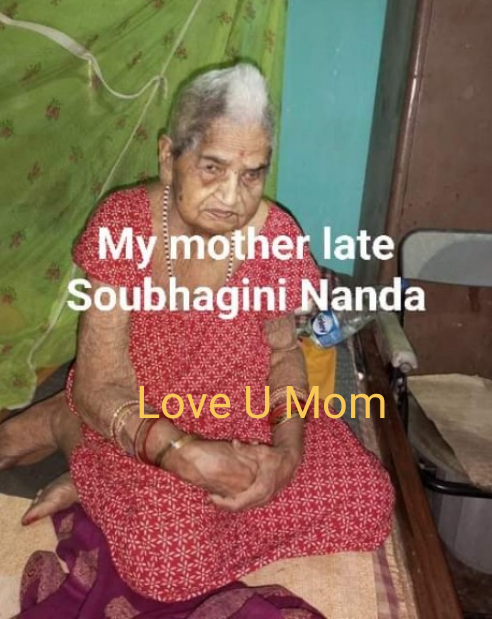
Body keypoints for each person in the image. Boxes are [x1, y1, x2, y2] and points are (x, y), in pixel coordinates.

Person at [0, 63, 394, 617]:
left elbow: (283, 353)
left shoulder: (276, 236)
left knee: (368, 501)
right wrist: (179, 452)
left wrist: (286, 453)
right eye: (212, 168)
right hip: (141, 417)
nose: (232, 196)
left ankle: (99, 477)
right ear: (169, 158)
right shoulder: (124, 227)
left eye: (252, 174)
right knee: (169, 565)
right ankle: (72, 432)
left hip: (242, 416)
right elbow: (99, 384)